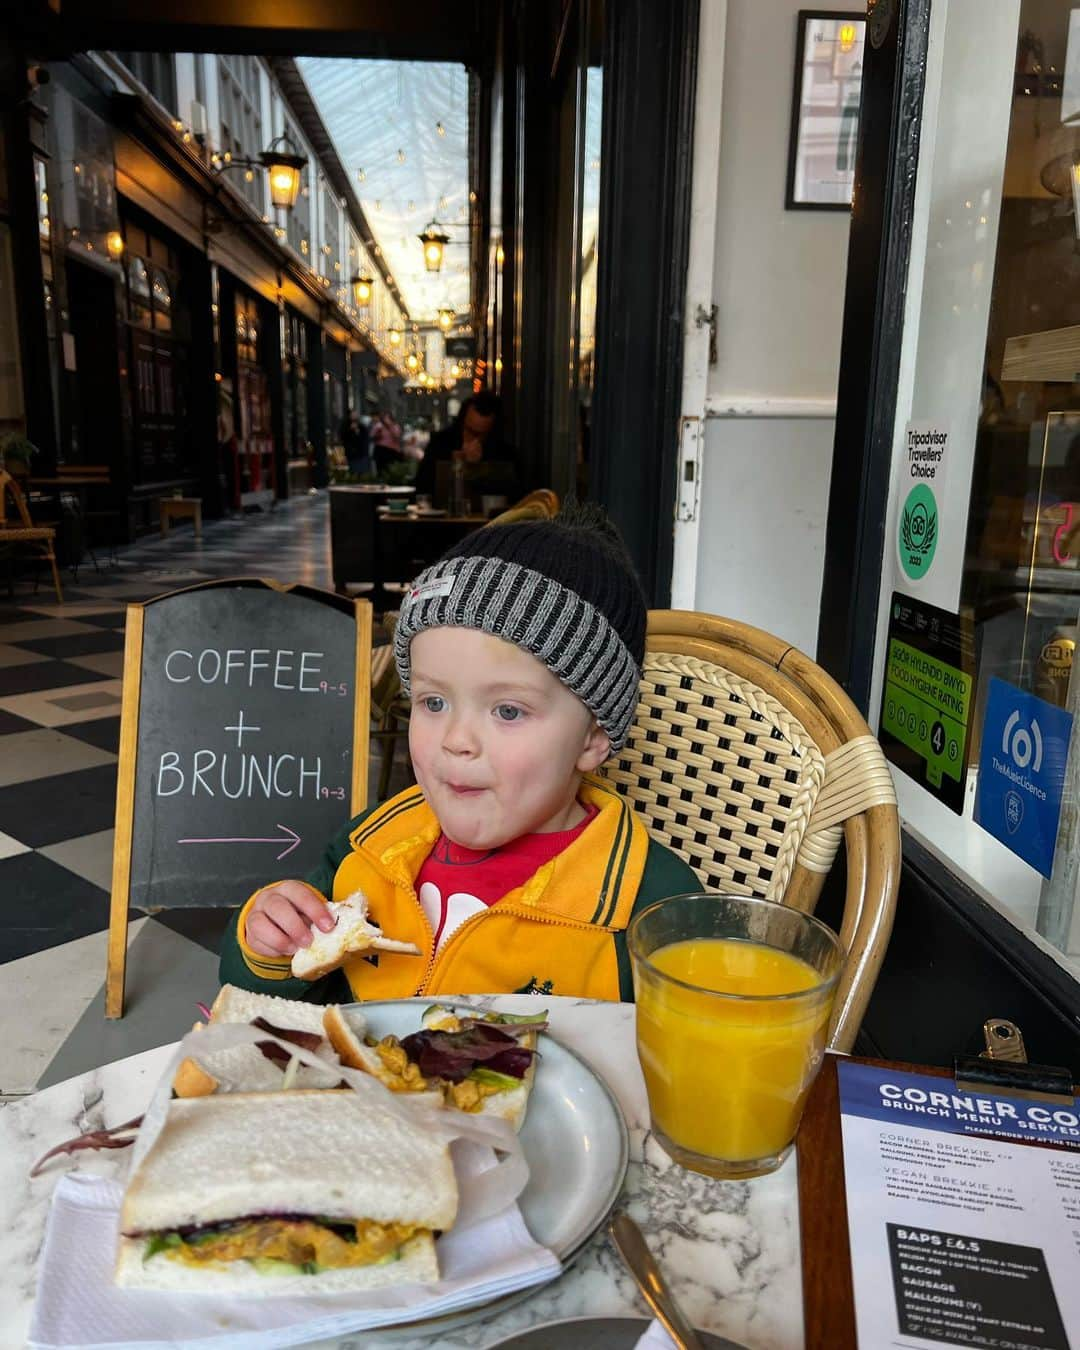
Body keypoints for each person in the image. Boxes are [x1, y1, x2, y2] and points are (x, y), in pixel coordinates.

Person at [218, 503, 700, 1002]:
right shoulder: (371, 847)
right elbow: (266, 997)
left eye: (508, 711)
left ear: (593, 738)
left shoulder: (650, 904)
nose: (456, 739)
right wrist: (267, 945)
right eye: (433, 701)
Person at [414, 391, 521, 507]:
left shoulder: (504, 452)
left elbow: (513, 496)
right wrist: (453, 464)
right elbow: (422, 487)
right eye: (469, 431)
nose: (473, 439)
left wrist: (479, 466)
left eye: (480, 435)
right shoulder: (441, 443)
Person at [370, 409, 403, 478]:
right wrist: (378, 433)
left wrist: (390, 427)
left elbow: (397, 437)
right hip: (381, 449)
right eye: (385, 418)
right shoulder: (379, 425)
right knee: (381, 469)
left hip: (392, 450)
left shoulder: (395, 426)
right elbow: (372, 436)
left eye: (388, 418)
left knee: (390, 469)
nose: (386, 420)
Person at [339, 410, 370, 478]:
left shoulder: (362, 427)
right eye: (352, 415)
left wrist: (357, 432)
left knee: (362, 471)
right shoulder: (345, 425)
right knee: (353, 471)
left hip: (361, 452)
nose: (354, 416)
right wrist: (350, 430)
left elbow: (365, 438)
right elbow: (343, 436)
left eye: (355, 415)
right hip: (351, 452)